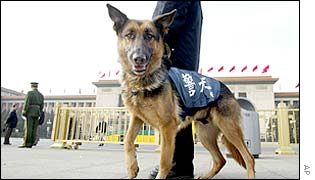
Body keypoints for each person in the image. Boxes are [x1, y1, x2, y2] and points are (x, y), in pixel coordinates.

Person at [149, 1, 203, 179]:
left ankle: (177, 167)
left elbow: (164, 24)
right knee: (179, 114)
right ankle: (177, 165)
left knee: (172, 113)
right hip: (183, 57)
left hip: (174, 58)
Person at [19, 82, 44, 148]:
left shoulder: (30, 93)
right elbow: (42, 106)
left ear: (31, 86)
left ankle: (27, 142)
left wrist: (24, 111)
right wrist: (39, 112)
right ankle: (32, 142)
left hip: (30, 112)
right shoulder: (41, 95)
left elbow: (27, 102)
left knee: (28, 128)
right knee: (34, 128)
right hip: (37, 113)